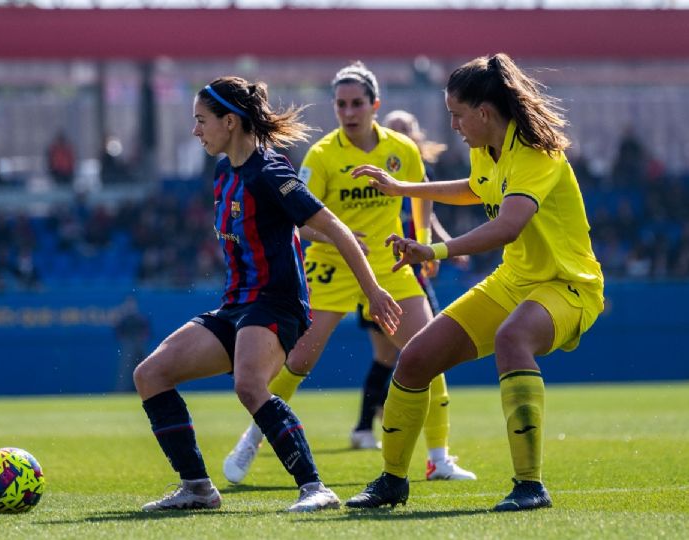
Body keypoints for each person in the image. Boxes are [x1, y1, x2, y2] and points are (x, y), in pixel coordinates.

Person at [343, 53, 605, 512]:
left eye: (457, 115)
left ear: (483, 113)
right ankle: (391, 482)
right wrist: (404, 189)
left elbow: (507, 227)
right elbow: (475, 187)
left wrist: (436, 249)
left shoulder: (537, 153)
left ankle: (530, 486)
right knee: (416, 358)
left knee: (513, 337)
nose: (454, 125)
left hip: (569, 285)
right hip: (514, 281)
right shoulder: (486, 147)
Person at [132, 76, 402, 513]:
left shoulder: (271, 171)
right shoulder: (225, 171)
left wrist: (372, 292)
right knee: (150, 374)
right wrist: (325, 235)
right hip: (237, 304)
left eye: (202, 121)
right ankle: (198, 488)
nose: (196, 130)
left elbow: (335, 228)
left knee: (249, 385)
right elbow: (294, 225)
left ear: (231, 122)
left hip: (277, 301)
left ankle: (314, 488)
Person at [222, 61, 475, 485]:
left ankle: (438, 459)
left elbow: (421, 195)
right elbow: (296, 221)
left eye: (357, 103)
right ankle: (252, 439)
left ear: (375, 104)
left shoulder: (402, 150)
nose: (349, 111)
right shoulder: (322, 156)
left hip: (389, 267)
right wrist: (332, 239)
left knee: (428, 355)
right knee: (298, 363)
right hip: (331, 269)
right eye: (341, 104)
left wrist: (426, 244)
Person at [350, 110, 470, 461]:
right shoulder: (375, 170)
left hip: (412, 265)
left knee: (391, 356)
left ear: (415, 134)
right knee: (397, 354)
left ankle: (368, 427)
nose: (399, 133)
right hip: (382, 268)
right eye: (393, 128)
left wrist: (439, 246)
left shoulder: (418, 171)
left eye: (405, 128)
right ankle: (408, 439)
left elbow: (426, 215)